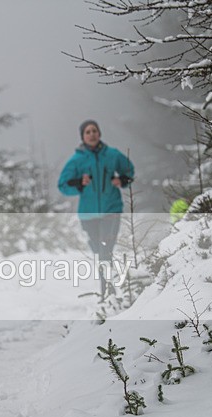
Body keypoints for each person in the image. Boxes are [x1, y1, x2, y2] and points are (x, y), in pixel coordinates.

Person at [58, 119, 135, 298]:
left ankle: (107, 293)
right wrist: (79, 183)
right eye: (88, 132)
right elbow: (63, 185)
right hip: (88, 214)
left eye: (94, 131)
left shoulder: (113, 155)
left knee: (105, 250)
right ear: (83, 137)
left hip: (111, 210)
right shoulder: (77, 160)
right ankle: (112, 289)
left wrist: (121, 180)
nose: (91, 134)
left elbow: (129, 171)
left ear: (99, 134)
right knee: (98, 250)